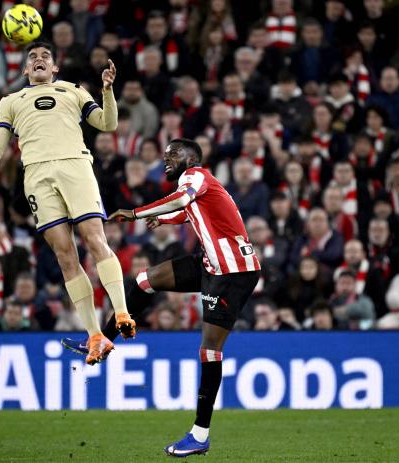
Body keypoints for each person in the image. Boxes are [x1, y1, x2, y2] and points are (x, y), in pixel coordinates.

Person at [63, 139, 260, 457]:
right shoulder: (199, 185)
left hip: (232, 272)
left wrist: (136, 213)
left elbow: (183, 199)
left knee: (210, 351)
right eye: (166, 153)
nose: (167, 157)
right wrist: (165, 219)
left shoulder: (195, 175)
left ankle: (199, 435)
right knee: (143, 281)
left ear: (191, 158)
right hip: (210, 263)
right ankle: (102, 341)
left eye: (174, 153)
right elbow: (191, 211)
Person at [0, 41, 135, 365]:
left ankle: (121, 312)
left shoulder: (74, 91)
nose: (39, 60)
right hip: (36, 175)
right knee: (66, 256)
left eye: (45, 57)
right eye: (32, 58)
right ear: (25, 70)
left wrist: (107, 90)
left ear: (55, 68)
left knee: (95, 239)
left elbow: (107, 124)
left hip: (75, 166)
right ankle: (95, 336)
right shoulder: (10, 101)